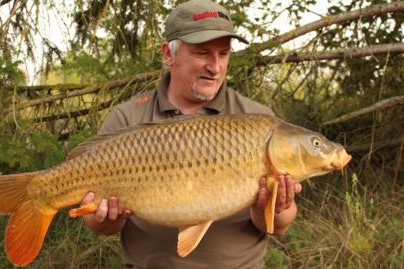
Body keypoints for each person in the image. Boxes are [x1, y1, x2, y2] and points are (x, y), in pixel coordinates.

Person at [81, 0, 302, 268]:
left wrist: (274, 205)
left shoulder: (257, 121)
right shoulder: (128, 118)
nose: (216, 67)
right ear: (168, 53)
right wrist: (109, 217)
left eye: (223, 54)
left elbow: (276, 227)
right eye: (202, 53)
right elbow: (99, 225)